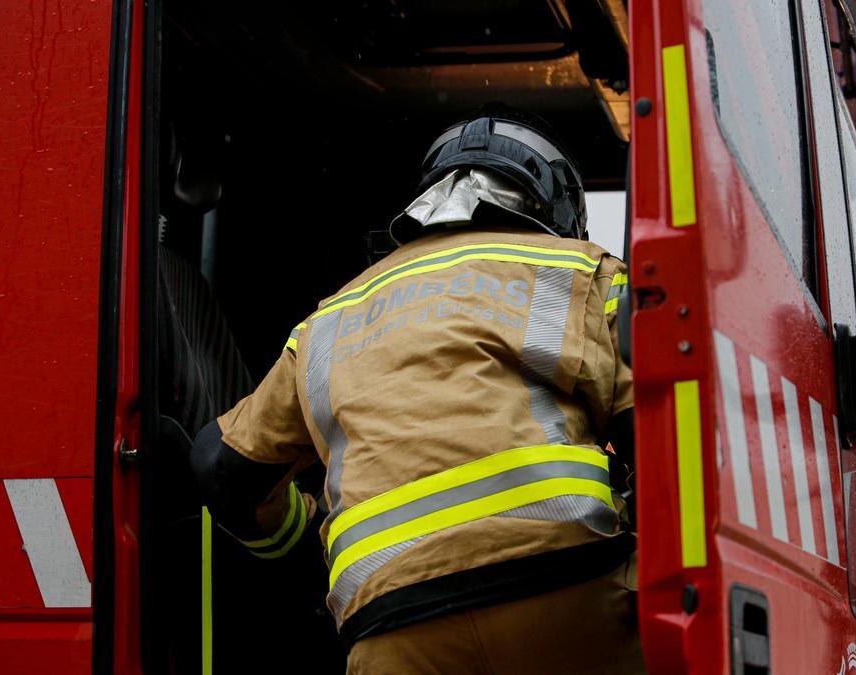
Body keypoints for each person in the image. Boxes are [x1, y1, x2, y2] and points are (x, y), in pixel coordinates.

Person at [190, 106, 641, 674]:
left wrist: (301, 539)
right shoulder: (581, 271)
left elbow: (222, 470)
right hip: (567, 596)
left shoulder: (331, 318)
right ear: (555, 207)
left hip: (393, 627)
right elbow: (661, 432)